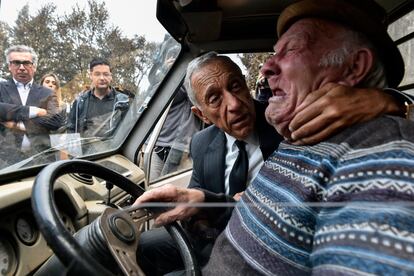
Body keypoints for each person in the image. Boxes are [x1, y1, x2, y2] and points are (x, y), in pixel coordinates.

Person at [136, 0, 414, 274]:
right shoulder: (296, 136)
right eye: (214, 99)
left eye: (291, 49)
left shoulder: (369, 153)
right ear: (202, 115)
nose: (266, 67)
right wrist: (203, 202)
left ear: (354, 68)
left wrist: (387, 102)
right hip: (217, 244)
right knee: (145, 245)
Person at [0, 45, 62, 166]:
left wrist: (18, 124)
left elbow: (56, 121)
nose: (22, 67)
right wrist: (32, 111)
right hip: (6, 161)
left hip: (42, 159)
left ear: (34, 66)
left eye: (26, 63)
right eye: (16, 63)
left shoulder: (47, 92)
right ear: (9, 66)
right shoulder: (1, 88)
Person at [67, 58, 129, 138]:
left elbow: (130, 129)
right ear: (91, 76)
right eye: (97, 74)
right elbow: (71, 130)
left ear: (111, 76)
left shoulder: (123, 101)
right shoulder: (80, 102)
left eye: (106, 74)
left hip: (115, 149)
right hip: (86, 149)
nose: (102, 78)